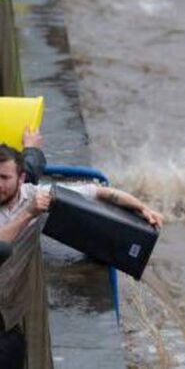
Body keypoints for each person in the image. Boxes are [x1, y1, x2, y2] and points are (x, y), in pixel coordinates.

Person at [0, 143, 163, 368]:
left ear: (21, 178)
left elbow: (98, 192)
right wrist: (28, 214)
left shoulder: (35, 196)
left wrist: (143, 208)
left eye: (4, 178)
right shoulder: (31, 208)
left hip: (9, 303)